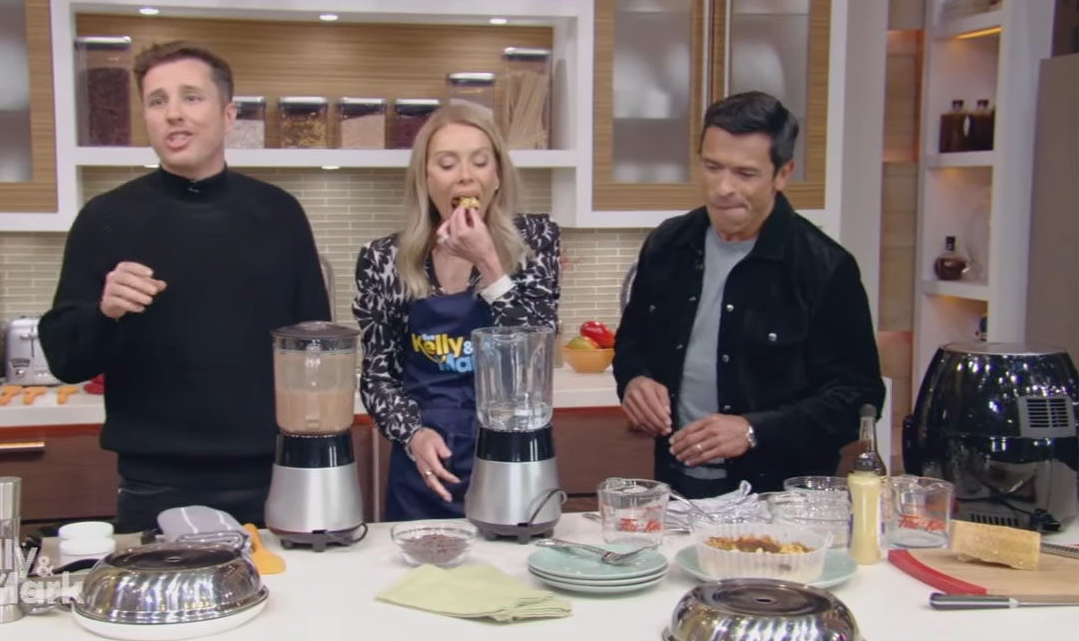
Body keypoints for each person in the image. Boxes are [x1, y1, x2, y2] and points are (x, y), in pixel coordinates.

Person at [39, 42, 330, 532]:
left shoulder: (279, 214)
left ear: (228, 114)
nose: (173, 113)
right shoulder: (105, 219)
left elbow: (313, 348)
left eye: (191, 97)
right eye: (157, 101)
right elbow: (65, 360)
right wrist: (104, 311)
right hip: (153, 483)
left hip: (269, 475)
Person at [614, 91, 885, 498]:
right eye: (712, 167)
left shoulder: (824, 268)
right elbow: (632, 342)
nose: (723, 188)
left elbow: (859, 400)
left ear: (782, 174)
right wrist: (634, 380)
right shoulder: (668, 244)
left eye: (745, 173)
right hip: (678, 488)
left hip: (781, 499)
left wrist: (754, 430)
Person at [353, 101, 560, 521]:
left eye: (480, 162)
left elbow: (535, 356)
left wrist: (489, 264)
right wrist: (412, 435)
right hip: (424, 466)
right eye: (447, 164)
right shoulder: (384, 259)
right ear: (426, 178)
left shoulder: (536, 242)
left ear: (497, 176)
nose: (465, 176)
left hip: (512, 460)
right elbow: (378, 376)